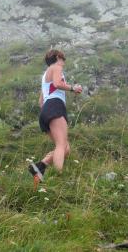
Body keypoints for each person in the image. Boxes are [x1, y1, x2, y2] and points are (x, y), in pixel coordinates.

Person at [28, 49, 82, 181]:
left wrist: (48, 112)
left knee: (65, 148)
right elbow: (58, 84)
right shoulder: (56, 67)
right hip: (55, 107)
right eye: (63, 58)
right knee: (60, 146)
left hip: (46, 110)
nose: (64, 61)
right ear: (58, 57)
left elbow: (40, 102)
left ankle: (40, 166)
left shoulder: (45, 75)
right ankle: (60, 177)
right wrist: (72, 88)